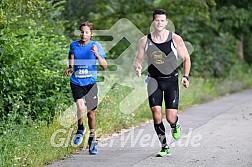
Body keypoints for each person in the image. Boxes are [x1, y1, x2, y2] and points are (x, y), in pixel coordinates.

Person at [134, 9, 191, 157]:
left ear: (166, 22)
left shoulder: (175, 39)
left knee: (170, 117)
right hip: (153, 81)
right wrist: (138, 68)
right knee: (156, 114)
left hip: (171, 81)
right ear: (153, 22)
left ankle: (174, 124)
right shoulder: (145, 40)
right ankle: (164, 146)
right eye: (157, 20)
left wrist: (186, 76)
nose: (159, 23)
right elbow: (138, 59)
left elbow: (186, 58)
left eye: (162, 20)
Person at [65, 21, 107, 155]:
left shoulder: (96, 46)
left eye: (87, 32)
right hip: (76, 81)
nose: (84, 34)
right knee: (80, 107)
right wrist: (70, 67)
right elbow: (71, 55)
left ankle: (92, 139)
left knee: (91, 113)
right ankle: (80, 129)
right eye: (82, 32)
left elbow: (104, 66)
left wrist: (97, 54)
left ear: (91, 34)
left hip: (90, 83)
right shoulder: (74, 45)